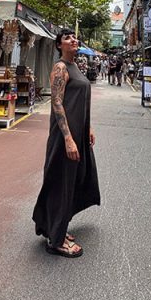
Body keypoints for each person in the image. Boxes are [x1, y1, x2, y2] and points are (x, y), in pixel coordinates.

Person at [33, 28, 100, 258]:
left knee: (75, 179)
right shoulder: (60, 67)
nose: (74, 39)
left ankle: (56, 226)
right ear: (59, 45)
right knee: (61, 183)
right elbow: (58, 104)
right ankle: (57, 240)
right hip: (64, 137)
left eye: (74, 37)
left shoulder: (76, 67)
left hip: (77, 134)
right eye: (67, 38)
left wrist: (87, 127)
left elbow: (80, 99)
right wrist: (69, 138)